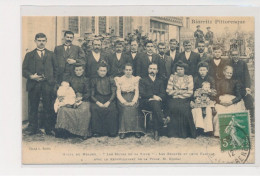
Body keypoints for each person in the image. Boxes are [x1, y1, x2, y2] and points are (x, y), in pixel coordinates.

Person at [22, 33, 58, 135]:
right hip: (34, 85)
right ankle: (33, 128)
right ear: (35, 41)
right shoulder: (29, 55)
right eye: (39, 40)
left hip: (48, 85)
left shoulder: (51, 54)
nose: (41, 43)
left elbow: (56, 70)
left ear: (46, 41)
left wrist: (52, 81)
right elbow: (24, 70)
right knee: (33, 107)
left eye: (43, 40)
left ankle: (49, 129)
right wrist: (31, 76)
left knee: (48, 107)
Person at [55, 64, 92, 139]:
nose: (78, 72)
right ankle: (66, 131)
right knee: (63, 110)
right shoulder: (70, 79)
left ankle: (82, 133)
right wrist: (62, 96)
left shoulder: (86, 80)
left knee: (84, 111)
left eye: (80, 70)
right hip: (70, 98)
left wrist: (81, 98)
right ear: (74, 71)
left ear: (83, 70)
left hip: (83, 99)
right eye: (77, 70)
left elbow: (89, 92)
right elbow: (64, 88)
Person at [166, 61, 197, 138]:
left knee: (184, 110)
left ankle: (185, 133)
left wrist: (177, 93)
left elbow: (190, 92)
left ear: (185, 69)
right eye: (178, 69)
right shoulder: (172, 77)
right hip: (174, 99)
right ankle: (173, 133)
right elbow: (168, 91)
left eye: (181, 69)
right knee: (173, 107)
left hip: (185, 99)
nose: (179, 71)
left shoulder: (189, 78)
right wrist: (182, 91)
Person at [213, 66, 246, 137]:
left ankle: (231, 132)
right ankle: (219, 132)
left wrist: (231, 102)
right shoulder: (219, 82)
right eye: (227, 73)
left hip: (232, 101)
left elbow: (239, 96)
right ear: (224, 72)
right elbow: (216, 95)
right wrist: (220, 102)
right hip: (221, 100)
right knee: (220, 111)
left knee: (232, 111)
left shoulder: (235, 82)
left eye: (231, 73)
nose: (229, 74)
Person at [114, 63, 144, 139]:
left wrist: (134, 101)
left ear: (132, 71)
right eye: (126, 70)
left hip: (133, 96)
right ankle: (123, 131)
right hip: (123, 97)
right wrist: (124, 102)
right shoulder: (119, 79)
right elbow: (118, 92)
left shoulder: (135, 79)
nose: (128, 72)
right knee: (125, 108)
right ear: (124, 70)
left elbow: (137, 91)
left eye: (130, 70)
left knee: (134, 107)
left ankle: (136, 130)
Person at [139, 63, 168, 141]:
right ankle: (161, 122)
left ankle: (156, 131)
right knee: (155, 105)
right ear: (148, 69)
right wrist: (152, 96)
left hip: (157, 102)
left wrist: (158, 98)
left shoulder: (160, 81)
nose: (152, 70)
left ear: (157, 71)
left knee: (156, 106)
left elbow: (163, 93)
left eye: (154, 69)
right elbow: (142, 93)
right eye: (151, 68)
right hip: (146, 102)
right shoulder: (143, 80)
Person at [90, 63, 118, 137]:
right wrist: (97, 102)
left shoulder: (110, 79)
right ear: (97, 71)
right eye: (101, 70)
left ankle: (111, 131)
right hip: (97, 98)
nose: (102, 72)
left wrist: (109, 102)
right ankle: (97, 131)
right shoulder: (94, 80)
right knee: (95, 109)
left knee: (111, 109)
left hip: (109, 98)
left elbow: (114, 93)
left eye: (104, 71)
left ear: (106, 71)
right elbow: (91, 95)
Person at [230, 50, 254, 133]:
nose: (235, 56)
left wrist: (247, 87)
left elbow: (247, 76)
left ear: (239, 55)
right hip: (233, 88)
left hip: (242, 87)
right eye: (233, 55)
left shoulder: (243, 64)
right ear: (231, 56)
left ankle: (252, 123)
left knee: (249, 100)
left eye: (236, 55)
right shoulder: (229, 63)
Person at [191, 62, 217, 135]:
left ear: (207, 70)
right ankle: (199, 128)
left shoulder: (210, 79)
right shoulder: (195, 79)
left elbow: (214, 92)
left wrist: (208, 93)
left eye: (204, 70)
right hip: (198, 99)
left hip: (208, 99)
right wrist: (196, 98)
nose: (202, 72)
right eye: (201, 70)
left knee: (208, 109)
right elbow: (193, 91)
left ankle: (208, 129)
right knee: (197, 109)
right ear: (198, 71)